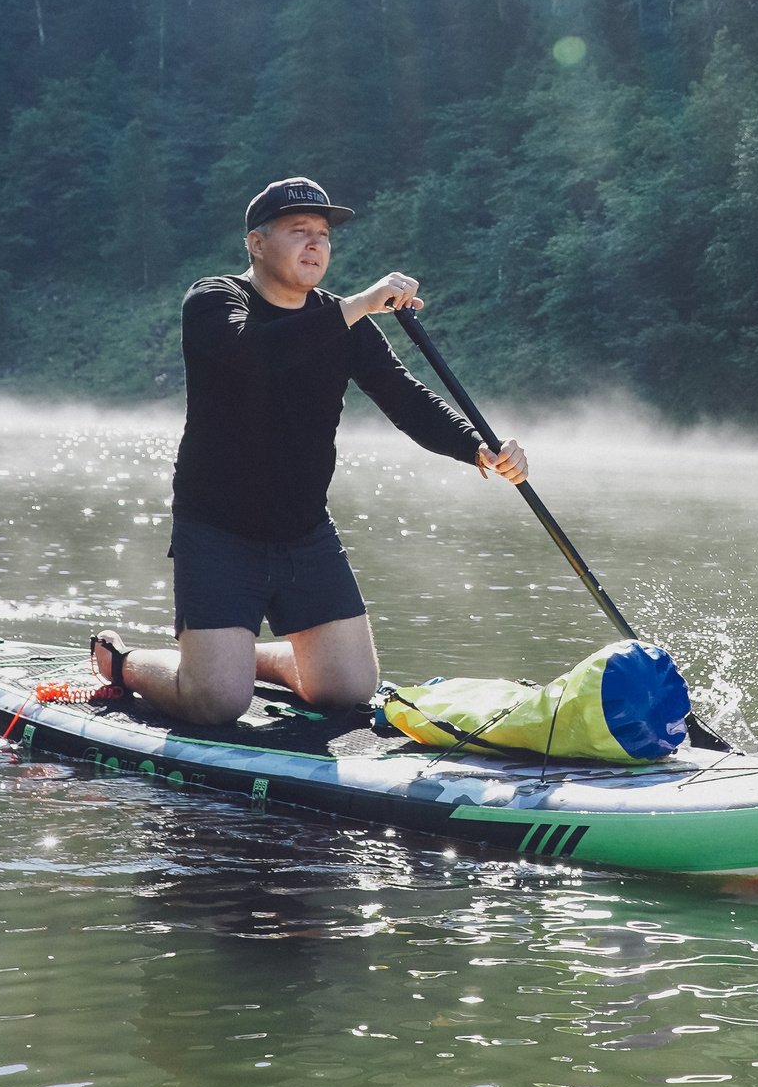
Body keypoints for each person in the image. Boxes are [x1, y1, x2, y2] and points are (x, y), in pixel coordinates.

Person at [90, 176, 528, 724]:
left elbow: (406, 398)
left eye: (323, 234)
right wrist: (359, 305)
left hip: (304, 532)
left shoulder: (344, 323)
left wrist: (479, 448)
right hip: (218, 530)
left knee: (347, 691)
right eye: (299, 232)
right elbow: (255, 353)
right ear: (256, 242)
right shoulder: (214, 299)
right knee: (217, 704)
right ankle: (126, 662)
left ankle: (234, 656)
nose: (316, 244)